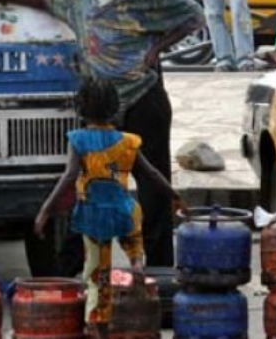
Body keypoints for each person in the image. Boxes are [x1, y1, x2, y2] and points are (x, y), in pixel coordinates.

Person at [0, 0, 204, 268]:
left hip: (143, 98)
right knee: (89, 186)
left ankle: (160, 269)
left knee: (151, 190)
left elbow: (194, 15)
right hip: (102, 107)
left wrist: (157, 50)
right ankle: (75, 271)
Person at [34, 78, 184, 339]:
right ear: (116, 109)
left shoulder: (78, 140)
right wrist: (174, 196)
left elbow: (69, 177)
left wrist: (45, 210)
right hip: (125, 212)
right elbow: (150, 173)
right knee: (136, 255)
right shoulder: (128, 141)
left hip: (94, 217)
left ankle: (96, 323)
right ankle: (138, 285)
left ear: (80, 109)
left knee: (96, 275)